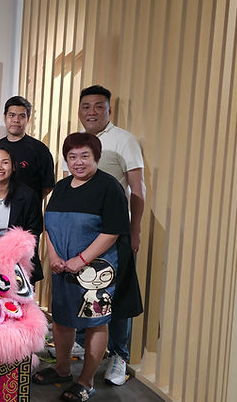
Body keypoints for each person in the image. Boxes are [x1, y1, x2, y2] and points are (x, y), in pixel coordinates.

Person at [33, 132, 142, 402]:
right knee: (61, 318)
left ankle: (86, 380)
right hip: (63, 268)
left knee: (95, 322)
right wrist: (55, 255)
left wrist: (80, 260)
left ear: (96, 157)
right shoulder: (61, 187)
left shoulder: (108, 187)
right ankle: (61, 368)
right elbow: (51, 226)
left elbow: (113, 232)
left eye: (85, 156)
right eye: (72, 156)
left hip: (96, 269)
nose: (78, 162)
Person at [73, 85, 145, 386]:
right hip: (82, 234)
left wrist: (135, 229)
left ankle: (119, 355)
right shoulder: (76, 142)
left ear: (109, 110)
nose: (91, 112)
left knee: (117, 294)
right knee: (84, 288)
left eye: (98, 106)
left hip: (114, 233)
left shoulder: (124, 140)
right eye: (86, 106)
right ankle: (82, 341)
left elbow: (137, 190)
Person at [0, 141, 44, 283]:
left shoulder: (28, 196)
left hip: (19, 262)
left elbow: (34, 231)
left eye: (5, 163)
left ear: (14, 166)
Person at [0, 96, 55, 200]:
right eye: (12, 115)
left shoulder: (39, 149)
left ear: (28, 119)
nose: (16, 120)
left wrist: (30, 203)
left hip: (29, 212)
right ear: (4, 117)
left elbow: (48, 185)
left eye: (22, 116)